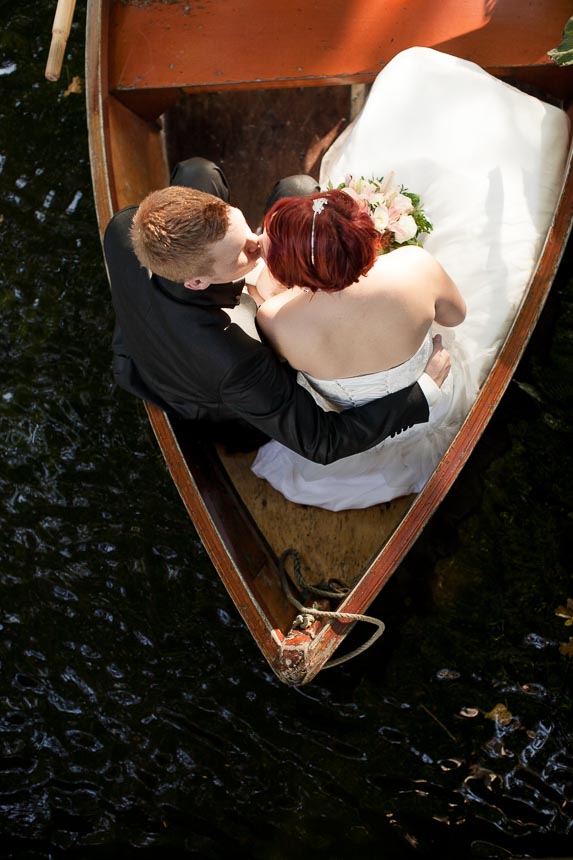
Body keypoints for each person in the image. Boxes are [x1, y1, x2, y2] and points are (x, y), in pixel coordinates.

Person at [104, 158, 451, 464]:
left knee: (268, 183)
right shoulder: (239, 362)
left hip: (163, 315)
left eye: (244, 228)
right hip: (211, 394)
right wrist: (422, 392)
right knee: (296, 198)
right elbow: (323, 443)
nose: (261, 243)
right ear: (196, 281)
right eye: (243, 252)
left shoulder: (123, 226)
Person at [250, 189, 469, 509]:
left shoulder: (275, 318)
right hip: (433, 401)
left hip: (358, 430)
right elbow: (456, 317)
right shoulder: (415, 265)